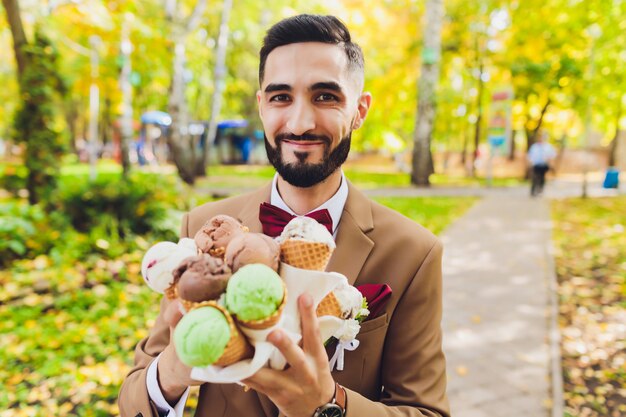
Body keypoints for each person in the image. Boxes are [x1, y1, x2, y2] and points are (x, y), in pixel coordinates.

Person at [119, 14, 449, 417]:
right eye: (280, 97)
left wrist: (329, 405)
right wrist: (172, 369)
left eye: (325, 96)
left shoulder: (414, 253)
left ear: (360, 110)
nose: (300, 122)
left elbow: (425, 411)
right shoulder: (202, 226)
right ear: (261, 106)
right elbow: (134, 399)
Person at [527, 131, 556, 196]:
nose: (540, 139)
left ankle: (540, 189)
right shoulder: (534, 147)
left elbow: (552, 155)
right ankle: (533, 191)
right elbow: (530, 156)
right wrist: (530, 163)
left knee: (542, 177)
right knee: (535, 177)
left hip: (544, 165)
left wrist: (550, 162)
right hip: (536, 165)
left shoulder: (548, 146)